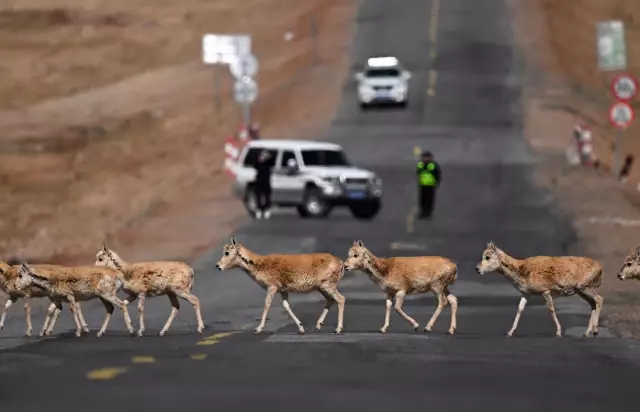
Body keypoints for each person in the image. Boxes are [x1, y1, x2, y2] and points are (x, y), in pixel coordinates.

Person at [416, 151, 441, 219]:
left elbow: (438, 174)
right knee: (423, 199)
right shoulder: (421, 164)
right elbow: (418, 172)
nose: (426, 159)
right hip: (423, 185)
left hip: (431, 185)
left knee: (429, 199)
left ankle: (428, 213)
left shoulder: (433, 165)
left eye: (427, 158)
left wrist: (437, 182)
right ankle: (423, 212)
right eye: (424, 158)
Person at [253, 149, 273, 219]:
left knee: (267, 197)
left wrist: (267, 158)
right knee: (258, 197)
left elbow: (271, 162)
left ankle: (267, 210)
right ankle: (259, 210)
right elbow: (255, 165)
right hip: (259, 181)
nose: (263, 157)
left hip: (266, 182)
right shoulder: (258, 163)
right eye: (262, 155)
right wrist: (259, 160)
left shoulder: (268, 163)